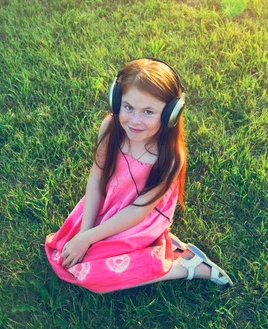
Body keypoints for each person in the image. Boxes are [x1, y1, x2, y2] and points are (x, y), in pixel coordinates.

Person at [45, 57, 233, 293]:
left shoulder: (170, 156)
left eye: (148, 112)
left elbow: (138, 210)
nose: (135, 121)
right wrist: (85, 235)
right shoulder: (111, 127)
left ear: (170, 115)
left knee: (92, 277)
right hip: (110, 202)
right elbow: (96, 178)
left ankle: (186, 267)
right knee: (66, 255)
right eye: (128, 107)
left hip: (141, 215)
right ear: (117, 101)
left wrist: (89, 239)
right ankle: (159, 248)